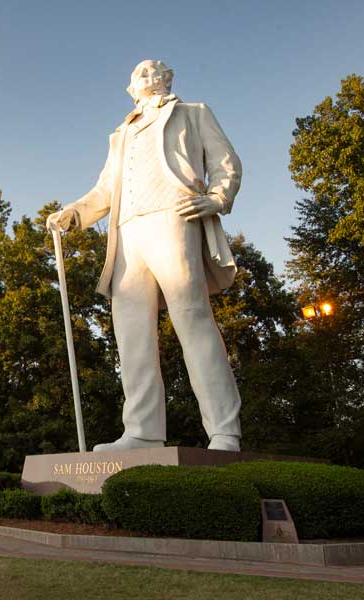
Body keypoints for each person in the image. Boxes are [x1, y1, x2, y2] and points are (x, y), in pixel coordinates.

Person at [46, 59, 243, 452]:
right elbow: (105, 190)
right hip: (127, 232)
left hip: (175, 216)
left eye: (158, 71)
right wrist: (74, 213)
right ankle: (142, 431)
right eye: (142, 73)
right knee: (131, 332)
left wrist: (218, 198)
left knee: (192, 319)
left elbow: (226, 162)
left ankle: (224, 431)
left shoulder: (193, 113)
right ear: (131, 86)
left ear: (169, 79)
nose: (150, 76)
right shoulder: (120, 135)